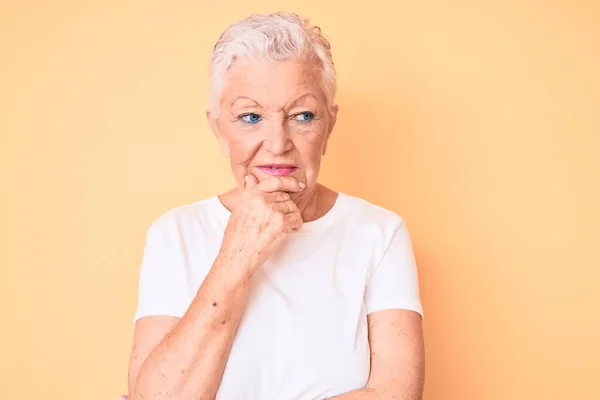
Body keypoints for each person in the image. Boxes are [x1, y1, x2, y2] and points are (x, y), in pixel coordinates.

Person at [124, 11, 425, 400]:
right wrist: (237, 254)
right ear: (218, 128)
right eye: (251, 117)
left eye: (302, 116)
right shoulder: (175, 233)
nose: (278, 142)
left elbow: (395, 394)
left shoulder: (379, 233)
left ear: (328, 126)